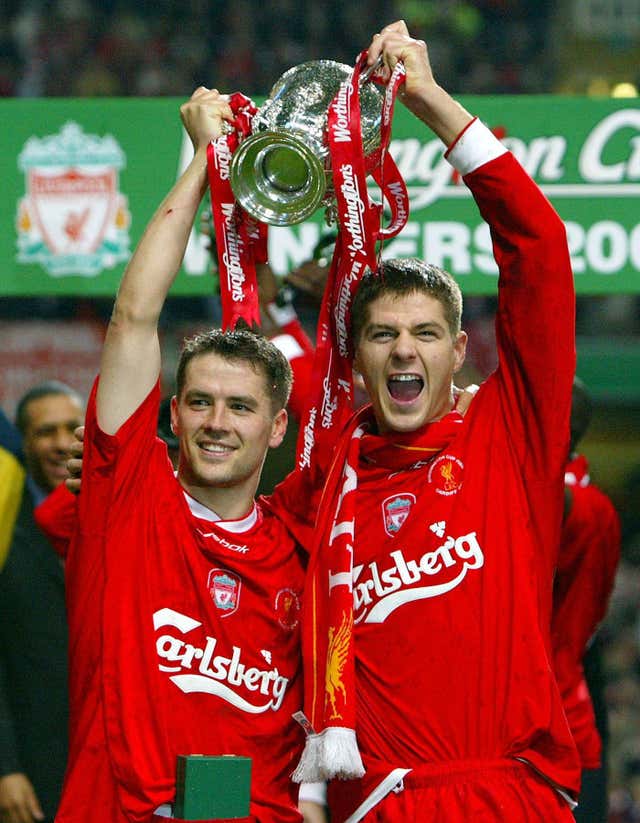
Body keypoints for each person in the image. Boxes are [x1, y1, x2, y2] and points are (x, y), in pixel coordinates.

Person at [268, 20, 581, 821]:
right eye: (382, 334)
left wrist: (433, 101)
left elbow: (539, 255)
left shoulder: (509, 437)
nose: (404, 350)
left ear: (459, 351)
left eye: (425, 333)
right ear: (360, 354)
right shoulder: (327, 482)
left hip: (502, 794)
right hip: (373, 803)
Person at [47, 89, 309, 823]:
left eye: (241, 406)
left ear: (278, 426)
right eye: (200, 402)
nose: (217, 422)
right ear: (171, 413)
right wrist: (203, 161)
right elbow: (133, 318)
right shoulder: (126, 500)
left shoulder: (301, 546)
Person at [0, 381, 83, 823]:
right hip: (29, 766)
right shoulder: (4, 531)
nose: (59, 444)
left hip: (105, 762)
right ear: (23, 441)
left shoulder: (116, 520)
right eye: (45, 432)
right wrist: (4, 767)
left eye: (71, 429)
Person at [552, 378, 621, 822]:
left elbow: (544, 493)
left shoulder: (585, 508)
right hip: (561, 715)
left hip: (559, 728)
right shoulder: (592, 501)